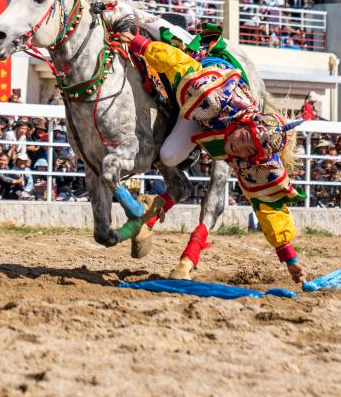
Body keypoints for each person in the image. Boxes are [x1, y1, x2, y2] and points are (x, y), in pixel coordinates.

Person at [115, 26, 307, 284]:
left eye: (249, 151)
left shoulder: (253, 159)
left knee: (171, 155)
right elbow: (179, 64)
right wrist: (140, 43)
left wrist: (289, 258)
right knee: (169, 156)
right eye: (244, 139)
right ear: (243, 124)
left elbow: (267, 206)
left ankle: (187, 256)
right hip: (202, 94)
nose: (239, 149)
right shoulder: (214, 96)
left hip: (209, 118)